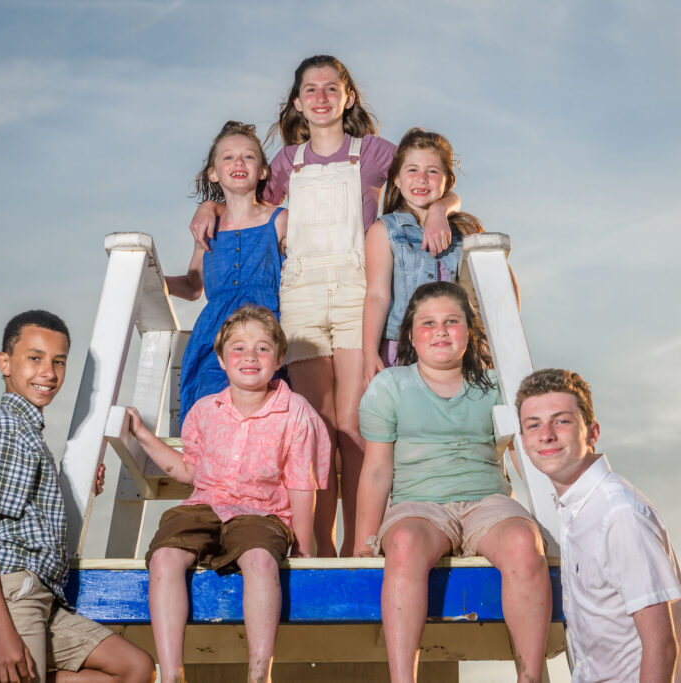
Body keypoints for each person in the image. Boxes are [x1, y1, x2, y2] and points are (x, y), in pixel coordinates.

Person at [192, 56, 460, 557]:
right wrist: (208, 205)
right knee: (316, 426)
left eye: (330, 88)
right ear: (297, 102)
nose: (320, 97)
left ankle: (362, 542)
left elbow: (429, 179)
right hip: (301, 292)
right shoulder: (286, 162)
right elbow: (243, 201)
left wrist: (442, 209)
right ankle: (318, 546)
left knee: (355, 423)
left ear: (348, 97)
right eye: (309, 90)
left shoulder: (376, 152)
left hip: (356, 288)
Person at [354, 283, 551, 683]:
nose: (440, 331)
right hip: (419, 506)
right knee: (405, 543)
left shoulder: (496, 385)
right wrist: (364, 540)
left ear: (468, 330)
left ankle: (530, 676)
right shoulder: (390, 386)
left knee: (521, 540)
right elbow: (376, 469)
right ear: (411, 334)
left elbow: (521, 453)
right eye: (428, 323)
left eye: (451, 322)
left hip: (487, 502)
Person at [0, 310, 155, 683]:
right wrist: (2, 633)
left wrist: (69, 486)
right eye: (35, 358)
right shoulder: (5, 428)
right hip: (7, 594)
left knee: (134, 669)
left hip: (39, 595)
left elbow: (27, 513)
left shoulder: (28, 432)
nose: (49, 372)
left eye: (59, 361)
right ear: (4, 363)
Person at [127, 305, 331, 683]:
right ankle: (171, 673)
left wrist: (304, 545)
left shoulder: (295, 413)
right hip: (203, 507)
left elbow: (301, 485)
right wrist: (143, 436)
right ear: (221, 359)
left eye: (262, 348)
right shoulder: (205, 411)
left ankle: (258, 672)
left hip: (262, 513)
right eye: (238, 348)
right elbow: (188, 470)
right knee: (166, 558)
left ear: (279, 358)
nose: (250, 356)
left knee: (260, 561)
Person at [516, 368, 681, 683]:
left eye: (561, 421)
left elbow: (661, 646)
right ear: (522, 440)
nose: (545, 435)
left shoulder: (618, 514)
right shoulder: (578, 510)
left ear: (592, 432)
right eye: (533, 425)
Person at [169, 121, 288, 428]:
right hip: (215, 333)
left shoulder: (279, 219)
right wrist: (150, 280)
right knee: (212, 409)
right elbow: (194, 286)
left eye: (248, 157)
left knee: (262, 416)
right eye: (228, 157)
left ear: (262, 170)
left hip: (264, 330)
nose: (238, 163)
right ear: (213, 172)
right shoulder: (207, 227)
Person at [361, 128, 485, 387]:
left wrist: (441, 209)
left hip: (451, 350)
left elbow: (487, 288)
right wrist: (370, 352)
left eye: (432, 171)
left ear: (446, 182)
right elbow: (376, 294)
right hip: (401, 349)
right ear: (396, 179)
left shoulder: (462, 232)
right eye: (412, 170)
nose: (422, 179)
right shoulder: (385, 230)